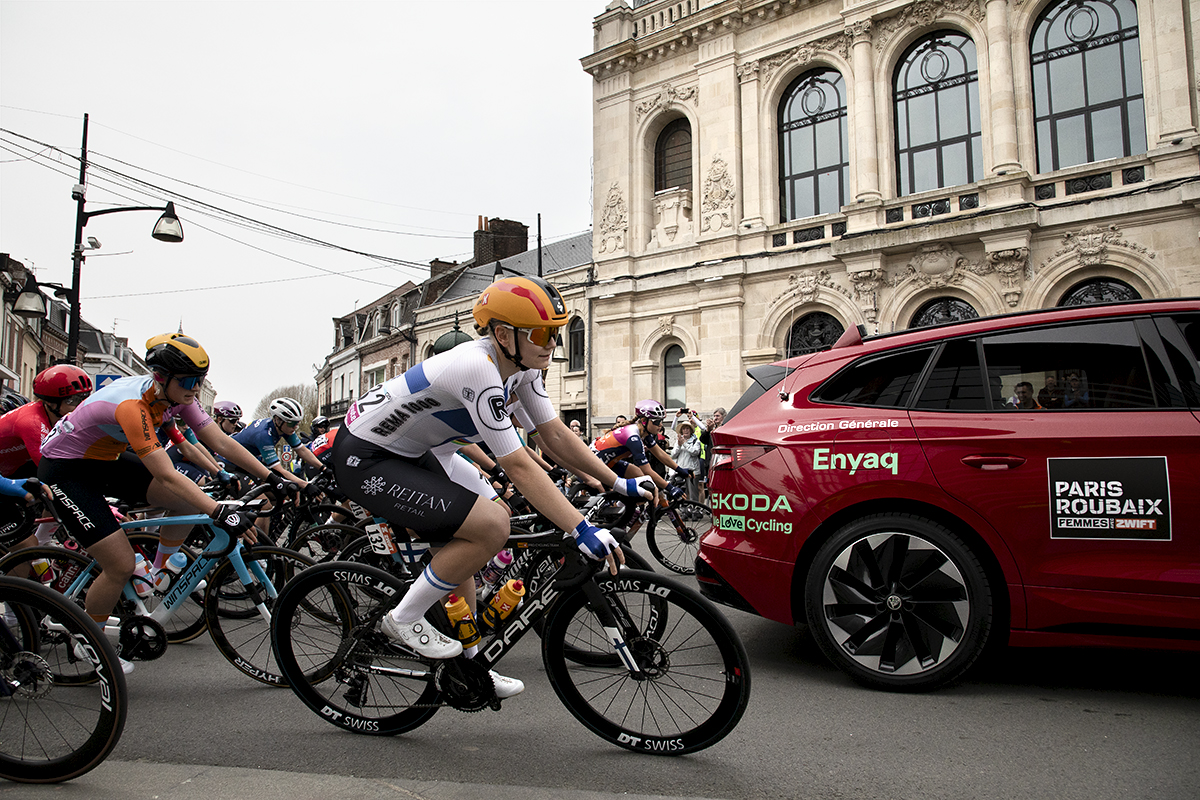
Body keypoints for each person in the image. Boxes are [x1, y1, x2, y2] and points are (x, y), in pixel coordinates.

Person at [329, 275, 655, 699]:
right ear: (503, 334)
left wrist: (616, 483)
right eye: (542, 333)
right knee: (490, 526)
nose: (552, 343)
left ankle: (470, 664)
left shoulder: (522, 369)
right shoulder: (477, 367)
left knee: (477, 533)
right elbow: (518, 462)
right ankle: (403, 616)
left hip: (420, 453)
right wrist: (580, 529)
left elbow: (553, 435)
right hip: (368, 456)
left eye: (556, 332)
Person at [37, 333, 296, 672]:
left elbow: (219, 440)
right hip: (65, 470)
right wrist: (218, 511)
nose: (195, 387)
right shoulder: (133, 406)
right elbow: (166, 474)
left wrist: (273, 477)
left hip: (102, 461)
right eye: (189, 380)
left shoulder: (177, 396)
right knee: (119, 563)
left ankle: (158, 572)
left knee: (187, 503)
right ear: (162, 377)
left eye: (200, 380)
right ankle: (86, 640)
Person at [0, 365, 92, 553]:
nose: (80, 405)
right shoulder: (32, 422)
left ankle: (43, 542)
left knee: (56, 486)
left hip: (11, 469)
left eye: (85, 398)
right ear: (51, 403)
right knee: (26, 550)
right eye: (73, 400)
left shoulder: (58, 419)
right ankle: (26, 568)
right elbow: (53, 471)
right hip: (4, 477)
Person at [590, 399, 689, 497]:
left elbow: (660, 454)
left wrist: (680, 470)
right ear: (644, 421)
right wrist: (670, 487)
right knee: (644, 482)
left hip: (609, 462)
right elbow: (647, 471)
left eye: (661, 421)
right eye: (656, 421)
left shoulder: (643, 433)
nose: (660, 425)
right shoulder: (633, 438)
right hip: (594, 466)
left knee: (640, 475)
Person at [669, 410, 704, 501]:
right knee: (683, 494)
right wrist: (679, 446)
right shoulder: (679, 441)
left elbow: (695, 452)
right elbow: (673, 455)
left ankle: (695, 510)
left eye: (687, 428)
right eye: (684, 429)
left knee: (693, 494)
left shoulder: (695, 440)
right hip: (681, 471)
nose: (685, 430)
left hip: (693, 471)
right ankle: (684, 511)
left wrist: (684, 444)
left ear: (691, 430)